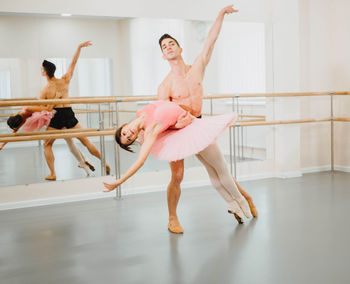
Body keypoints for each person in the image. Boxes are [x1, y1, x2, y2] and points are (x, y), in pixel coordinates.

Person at [155, 4, 257, 233]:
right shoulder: (165, 85)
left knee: (217, 168)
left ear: (180, 48)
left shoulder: (197, 67)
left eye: (172, 43)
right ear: (163, 55)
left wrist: (220, 14)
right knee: (178, 176)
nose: (169, 47)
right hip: (177, 131)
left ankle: (242, 200)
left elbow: (211, 39)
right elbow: (162, 114)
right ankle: (172, 217)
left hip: (199, 123)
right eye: (164, 46)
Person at [103, 100, 252, 224]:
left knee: (213, 171)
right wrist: (119, 181)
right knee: (220, 170)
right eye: (129, 139)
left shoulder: (142, 112)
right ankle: (240, 201)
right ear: (135, 140)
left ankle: (232, 204)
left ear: (124, 126)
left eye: (124, 133)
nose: (129, 135)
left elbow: (168, 112)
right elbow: (140, 161)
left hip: (190, 131)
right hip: (194, 132)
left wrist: (177, 124)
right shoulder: (150, 131)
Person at [29, 41, 110, 180]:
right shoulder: (65, 80)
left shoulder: (44, 91)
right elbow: (73, 63)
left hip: (56, 116)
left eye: (41, 69)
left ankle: (53, 173)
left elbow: (45, 109)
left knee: (47, 144)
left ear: (45, 71)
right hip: (68, 112)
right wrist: (79, 48)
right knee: (85, 141)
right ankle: (105, 163)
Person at [1, 107, 95, 175]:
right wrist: (2, 144)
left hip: (55, 120)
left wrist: (2, 144)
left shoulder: (23, 116)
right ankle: (84, 161)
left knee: (67, 141)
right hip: (55, 116)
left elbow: (14, 131)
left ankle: (83, 162)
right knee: (69, 140)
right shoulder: (22, 113)